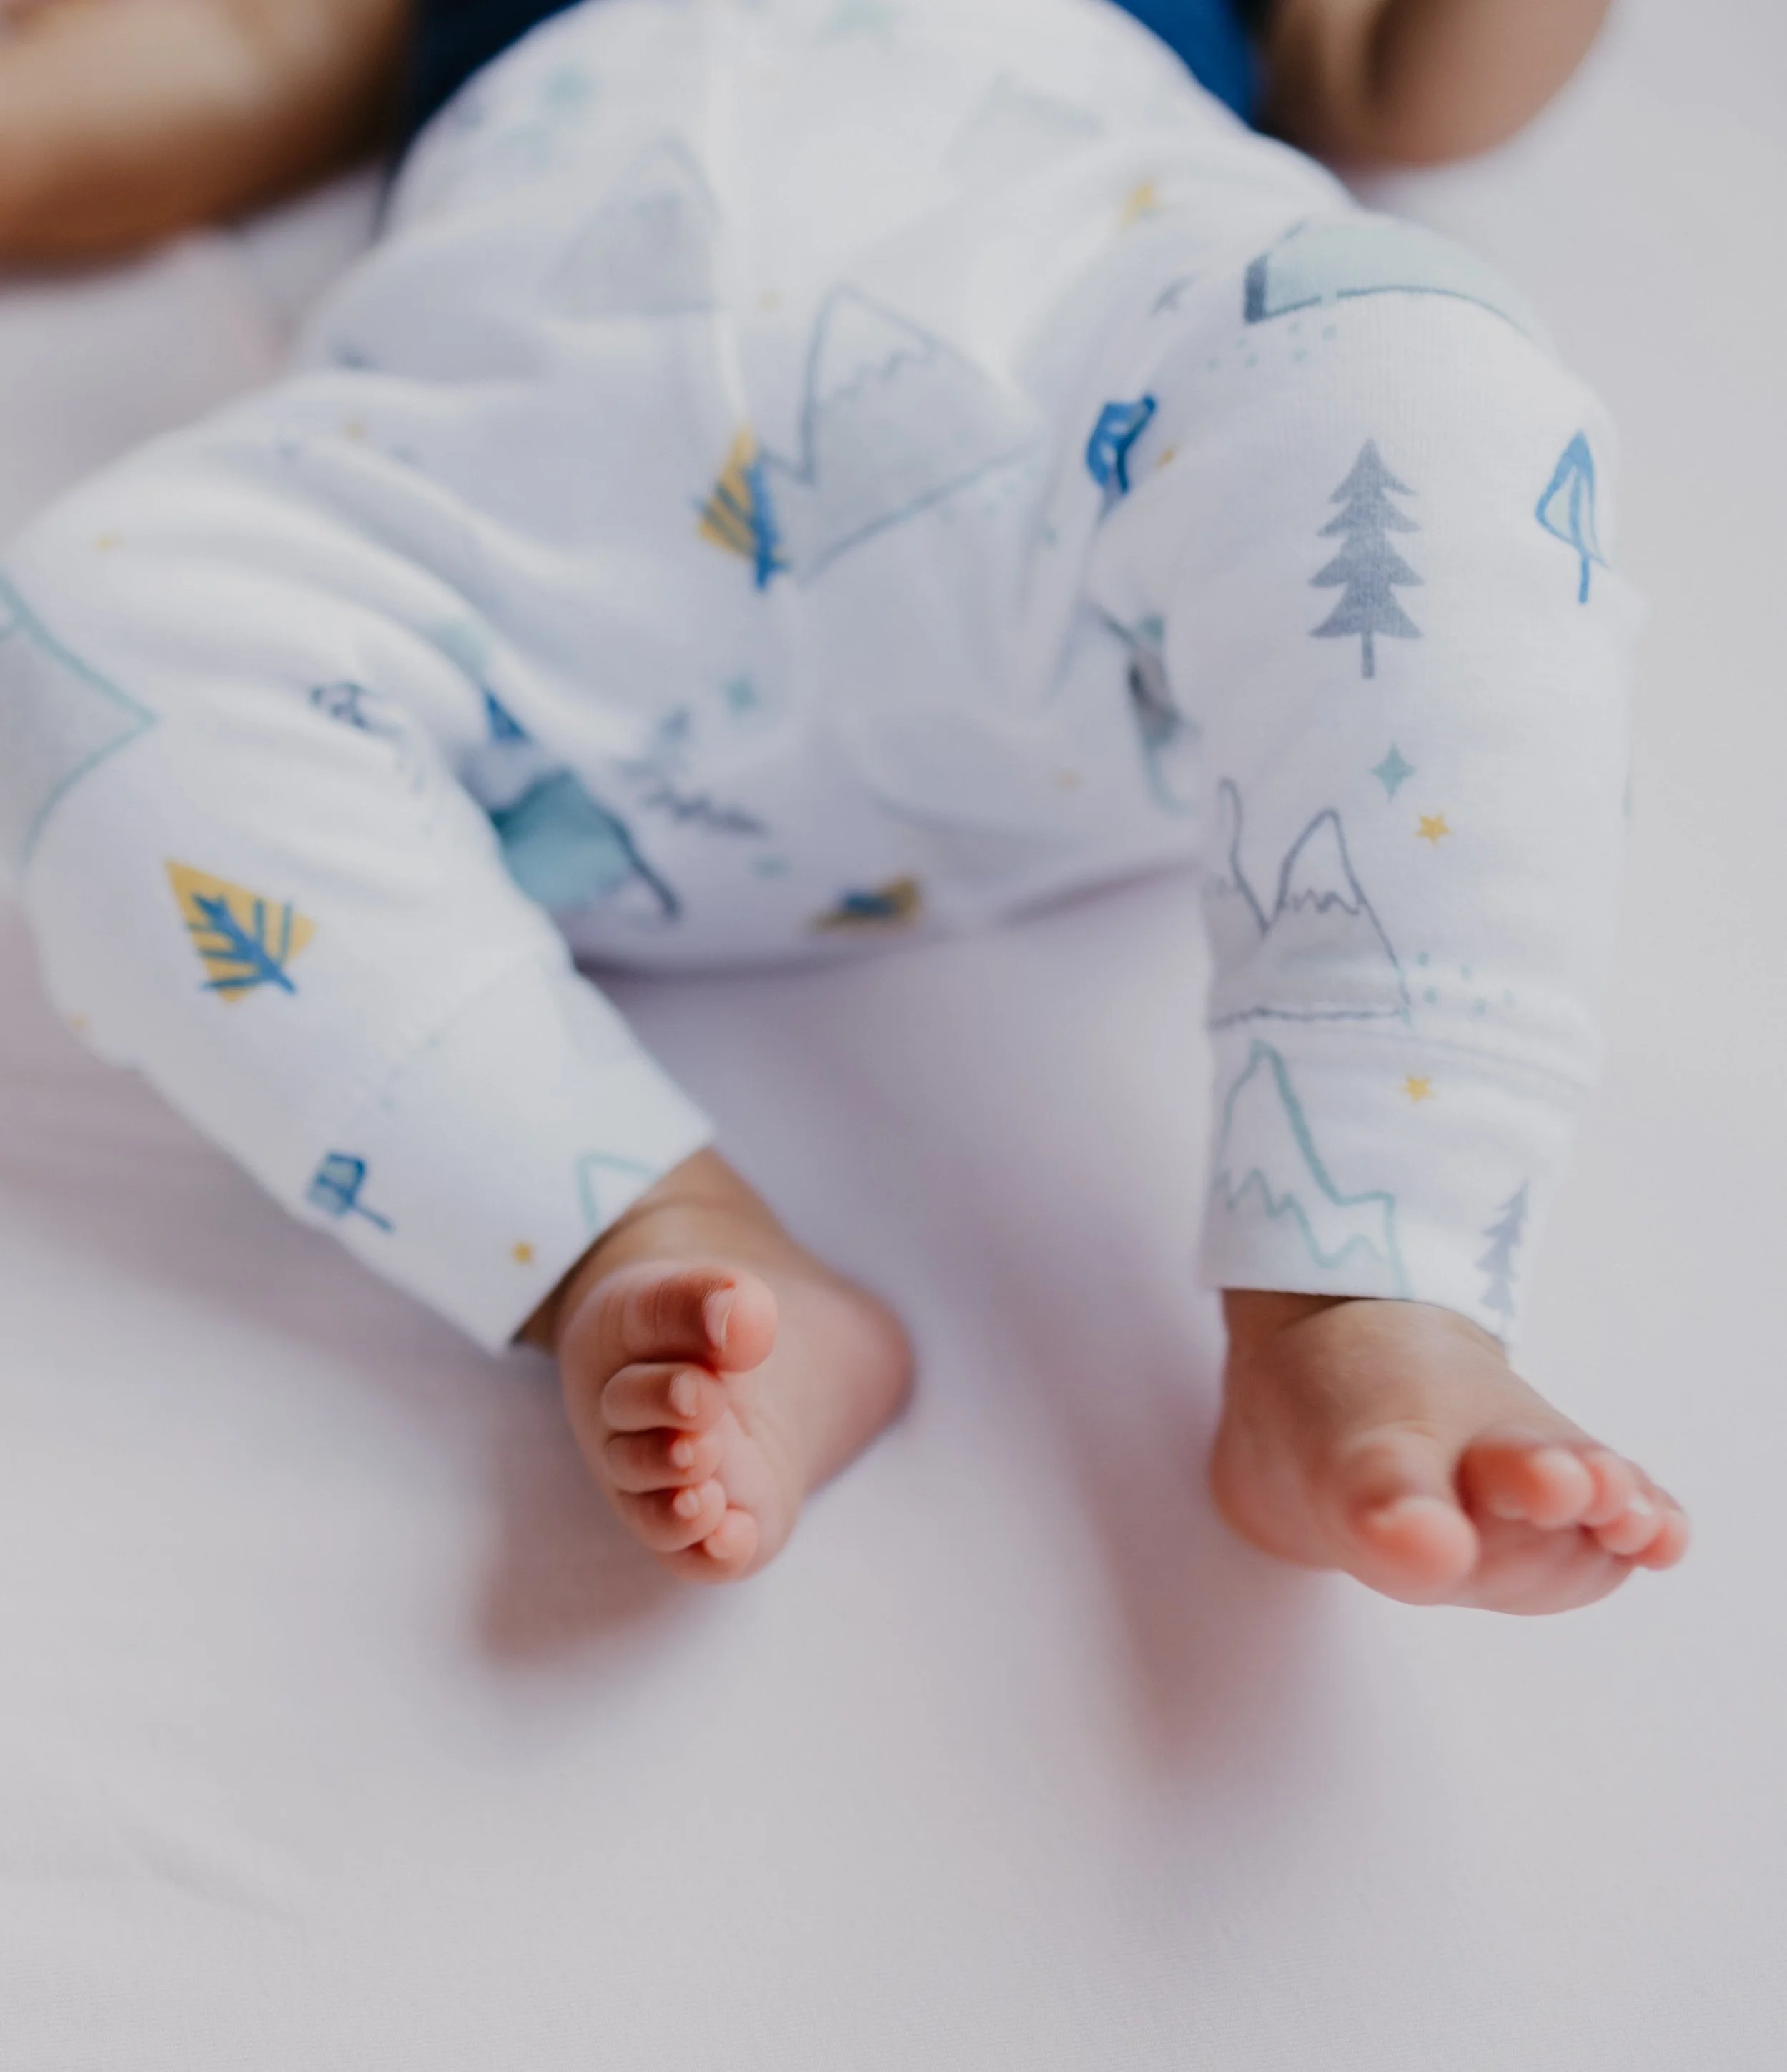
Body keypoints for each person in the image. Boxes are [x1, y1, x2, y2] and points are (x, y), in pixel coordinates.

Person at [0, 0, 1689, 1607]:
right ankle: (643, 1231)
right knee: (89, 623)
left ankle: (1364, 1268)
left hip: (1066, 510)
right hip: (534, 593)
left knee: (1412, 366)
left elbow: (1412, 79)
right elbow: (220, 48)